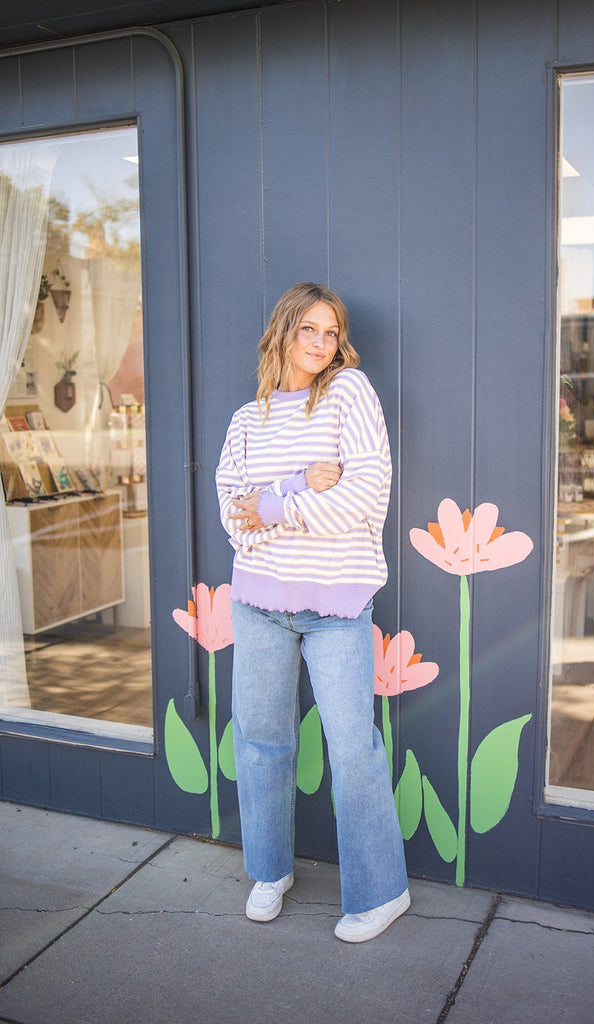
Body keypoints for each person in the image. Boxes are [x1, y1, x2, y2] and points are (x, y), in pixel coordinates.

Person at [215, 282, 409, 943]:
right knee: (262, 743)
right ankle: (269, 872)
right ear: (283, 331)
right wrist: (291, 490)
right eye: (309, 330)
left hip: (336, 605)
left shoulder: (348, 393)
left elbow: (364, 494)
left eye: (331, 333)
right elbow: (235, 519)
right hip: (257, 604)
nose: (322, 344)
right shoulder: (249, 420)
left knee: (354, 750)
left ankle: (382, 892)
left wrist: (273, 510)